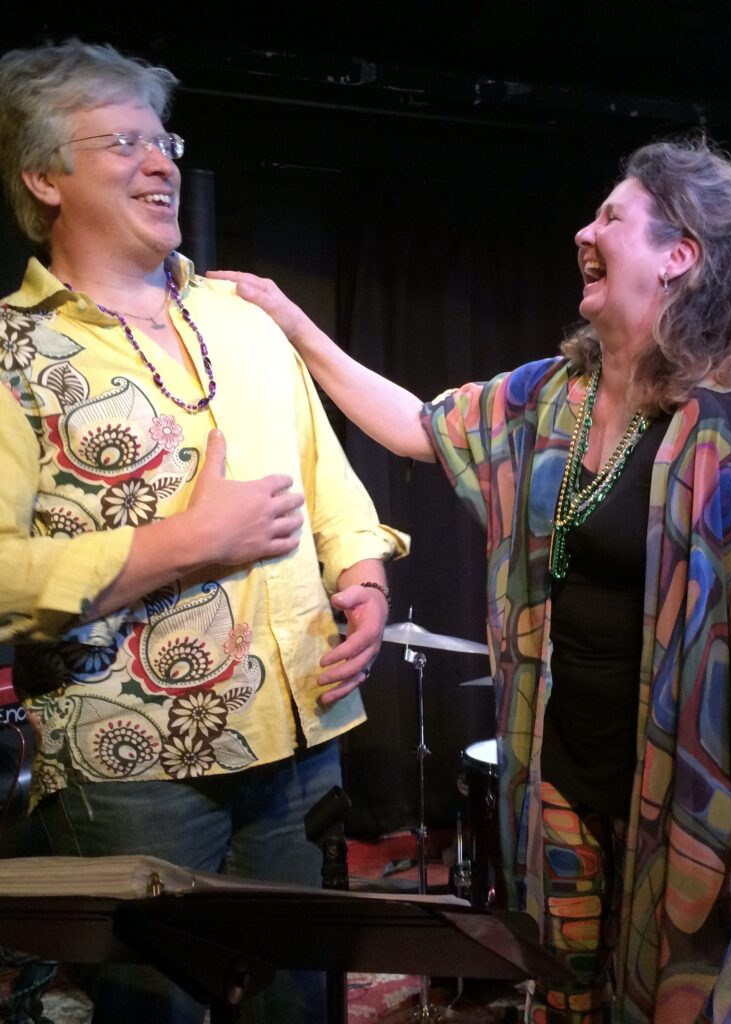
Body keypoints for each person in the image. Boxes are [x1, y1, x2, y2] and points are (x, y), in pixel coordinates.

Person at [214, 139, 731, 1023]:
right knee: (563, 989)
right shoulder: (552, 399)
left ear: (678, 256)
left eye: (612, 217)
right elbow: (418, 426)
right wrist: (295, 325)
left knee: (673, 996)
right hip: (559, 775)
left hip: (684, 788)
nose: (585, 231)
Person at [0, 41, 407, 1023]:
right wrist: (185, 543)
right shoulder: (12, 349)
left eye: (165, 141)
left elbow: (327, 475)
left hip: (303, 734)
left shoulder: (242, 315)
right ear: (45, 177)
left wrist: (362, 573)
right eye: (123, 143)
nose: (161, 162)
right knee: (156, 1011)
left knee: (298, 1006)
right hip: (131, 768)